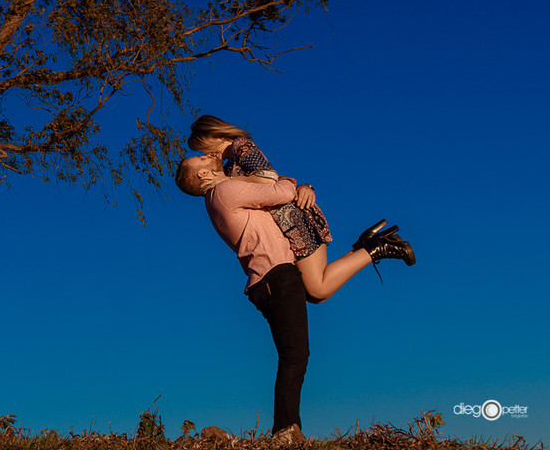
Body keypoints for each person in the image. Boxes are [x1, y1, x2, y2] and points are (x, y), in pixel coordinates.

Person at [175, 154, 414, 441]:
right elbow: (282, 191)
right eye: (201, 158)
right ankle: (286, 430)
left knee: (317, 294)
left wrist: (301, 187)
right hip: (275, 277)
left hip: (275, 276)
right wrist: (297, 185)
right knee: (294, 355)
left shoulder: (221, 193)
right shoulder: (223, 190)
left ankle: (371, 248)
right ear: (202, 176)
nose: (209, 156)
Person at [187, 115, 413, 302]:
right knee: (312, 293)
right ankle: (367, 246)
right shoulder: (230, 164)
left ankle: (378, 246)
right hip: (284, 225)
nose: (207, 155)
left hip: (294, 220)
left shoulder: (242, 147)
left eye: (203, 148)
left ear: (216, 134)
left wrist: (227, 183)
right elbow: (274, 179)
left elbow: (267, 179)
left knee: (318, 289)